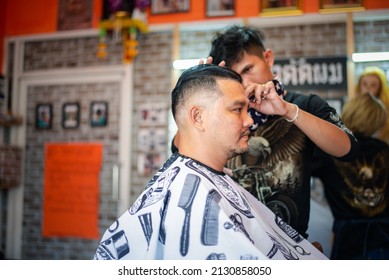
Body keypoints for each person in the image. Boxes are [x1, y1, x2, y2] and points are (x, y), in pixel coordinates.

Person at [94, 64, 327, 260]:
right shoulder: (186, 198)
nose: (249, 121)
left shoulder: (211, 179)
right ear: (198, 117)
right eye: (237, 109)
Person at [171, 25, 359, 239]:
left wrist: (287, 110)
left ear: (268, 58)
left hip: (289, 244)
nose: (245, 83)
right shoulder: (221, 117)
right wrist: (196, 95)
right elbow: (180, 151)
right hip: (234, 242)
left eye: (248, 69)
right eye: (235, 76)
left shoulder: (305, 105)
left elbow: (349, 149)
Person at [312, 93, 389, 259]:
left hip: (348, 241)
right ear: (378, 119)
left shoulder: (331, 151)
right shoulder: (385, 150)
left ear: (350, 113)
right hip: (383, 240)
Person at [355, 66, 389, 144]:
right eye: (364, 84)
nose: (368, 88)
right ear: (359, 86)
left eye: (373, 85)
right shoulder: (353, 109)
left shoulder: (386, 110)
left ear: (380, 88)